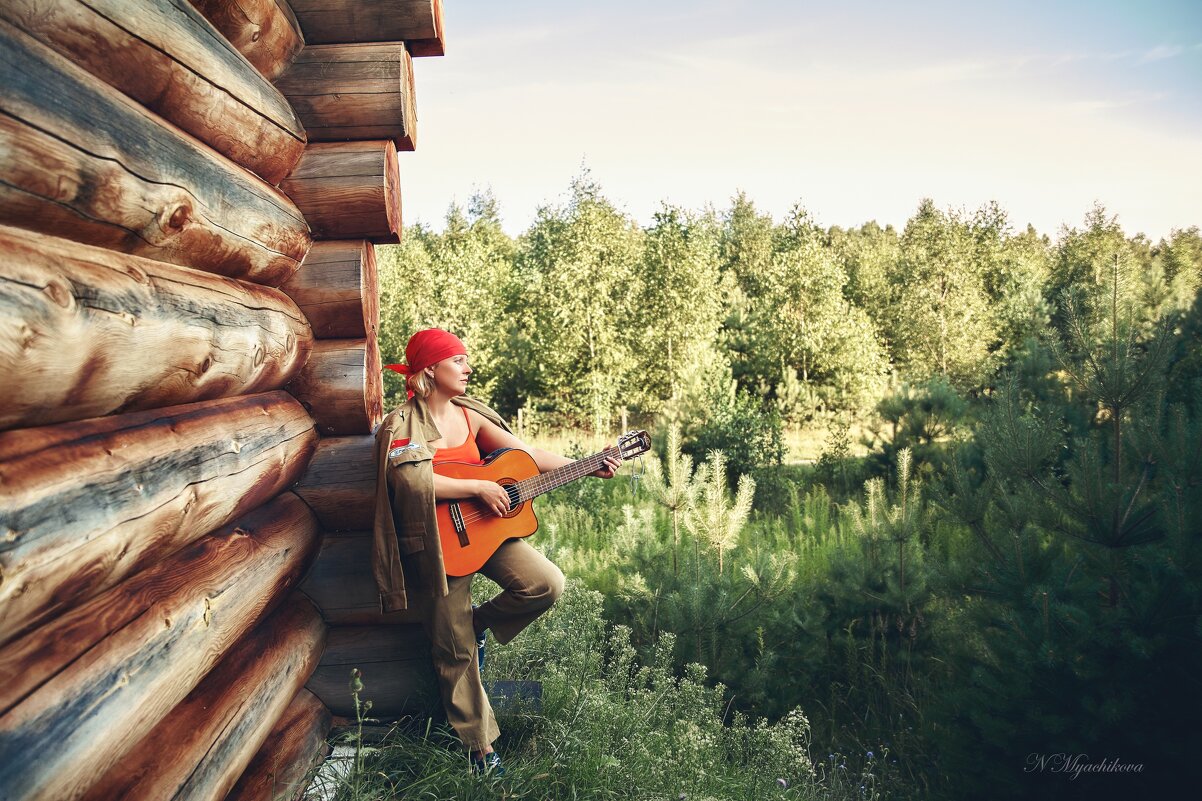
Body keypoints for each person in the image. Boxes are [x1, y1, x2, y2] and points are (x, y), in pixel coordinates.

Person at [371, 328, 619, 774]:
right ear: (431, 370)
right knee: (455, 650)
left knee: (545, 584)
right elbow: (409, 481)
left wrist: (588, 465)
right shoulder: (401, 424)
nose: (468, 369)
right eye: (458, 361)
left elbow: (526, 454)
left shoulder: (470, 417)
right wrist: (476, 487)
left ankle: (480, 623)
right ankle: (481, 751)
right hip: (437, 545)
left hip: (485, 538)